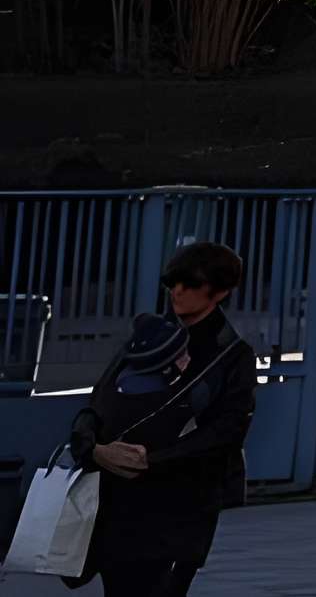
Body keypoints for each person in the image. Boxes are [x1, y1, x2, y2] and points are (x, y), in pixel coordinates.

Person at [67, 240, 253, 595]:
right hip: (117, 500)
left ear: (220, 291)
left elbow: (227, 431)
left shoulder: (231, 354)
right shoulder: (151, 336)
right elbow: (99, 398)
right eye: (173, 283)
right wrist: (93, 448)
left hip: (179, 506)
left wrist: (148, 460)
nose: (177, 292)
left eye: (190, 284)